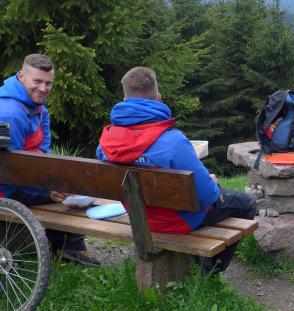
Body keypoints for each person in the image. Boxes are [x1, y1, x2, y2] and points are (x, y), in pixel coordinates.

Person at [96, 67, 255, 274]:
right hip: (178, 222)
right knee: (246, 203)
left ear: (125, 99)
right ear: (158, 98)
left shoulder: (106, 142)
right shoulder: (173, 141)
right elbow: (209, 196)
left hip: (139, 219)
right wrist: (212, 181)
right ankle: (209, 272)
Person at [0, 53, 100, 266]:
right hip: (6, 189)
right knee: (68, 192)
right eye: (37, 81)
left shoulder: (38, 107)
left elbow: (43, 152)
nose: (43, 88)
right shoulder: (10, 114)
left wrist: (52, 180)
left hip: (25, 178)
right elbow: (8, 172)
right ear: (21, 76)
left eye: (48, 83)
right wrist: (46, 192)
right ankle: (68, 248)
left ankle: (64, 246)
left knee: (70, 186)